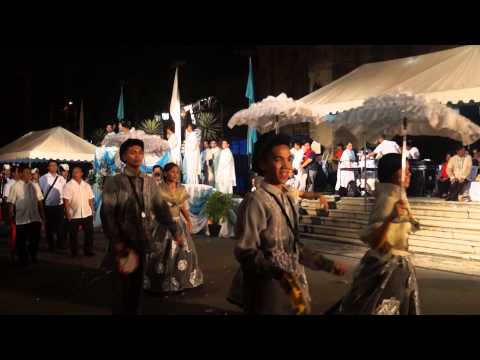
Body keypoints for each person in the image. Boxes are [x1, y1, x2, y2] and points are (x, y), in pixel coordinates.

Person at [227, 133, 346, 315]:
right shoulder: (256, 201)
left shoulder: (288, 197)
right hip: (267, 290)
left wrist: (326, 264)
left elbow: (294, 247)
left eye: (289, 159)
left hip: (292, 288)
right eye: (277, 160)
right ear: (262, 164)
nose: (286, 166)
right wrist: (278, 273)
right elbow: (245, 251)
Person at [100, 139, 181, 315]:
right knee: (121, 289)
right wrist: (116, 241)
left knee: (137, 289)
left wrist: (175, 231)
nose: (137, 156)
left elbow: (160, 208)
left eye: (140, 152)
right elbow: (107, 214)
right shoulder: (114, 182)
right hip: (122, 242)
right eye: (132, 152)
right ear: (123, 156)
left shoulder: (149, 182)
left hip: (142, 240)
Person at [336, 153, 421, 315]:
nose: (410, 174)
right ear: (394, 174)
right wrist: (390, 219)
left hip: (398, 267)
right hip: (387, 269)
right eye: (406, 170)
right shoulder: (388, 199)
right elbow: (375, 241)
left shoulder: (398, 198)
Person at [146, 162, 204, 293]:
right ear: (165, 173)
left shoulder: (181, 188)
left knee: (184, 252)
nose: (175, 174)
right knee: (161, 253)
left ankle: (180, 279)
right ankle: (160, 281)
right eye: (172, 172)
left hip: (178, 224)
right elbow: (154, 207)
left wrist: (188, 220)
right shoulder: (159, 188)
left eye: (177, 172)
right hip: (162, 224)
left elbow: (182, 206)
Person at [8, 164, 45, 266]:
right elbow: (11, 202)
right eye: (26, 173)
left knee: (35, 240)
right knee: (21, 241)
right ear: (21, 174)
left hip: (35, 218)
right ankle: (23, 259)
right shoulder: (15, 186)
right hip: (21, 219)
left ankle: (33, 256)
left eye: (30, 173)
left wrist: (43, 216)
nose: (29, 175)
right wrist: (11, 216)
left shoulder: (35, 185)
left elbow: (40, 201)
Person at [62, 166, 95, 257]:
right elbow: (66, 200)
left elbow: (90, 199)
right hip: (74, 214)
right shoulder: (68, 185)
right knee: (73, 235)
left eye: (77, 172)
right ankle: (74, 252)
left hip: (87, 213)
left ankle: (88, 250)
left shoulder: (86, 185)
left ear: (81, 173)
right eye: (74, 172)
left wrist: (92, 211)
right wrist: (68, 213)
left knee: (89, 233)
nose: (75, 173)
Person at [39, 160, 67, 252]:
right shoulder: (43, 178)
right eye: (52, 165)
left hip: (59, 206)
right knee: (49, 227)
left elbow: (65, 191)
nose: (54, 167)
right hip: (48, 206)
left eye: (55, 165)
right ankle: (51, 245)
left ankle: (60, 244)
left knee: (60, 226)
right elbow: (41, 192)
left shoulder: (61, 178)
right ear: (48, 167)